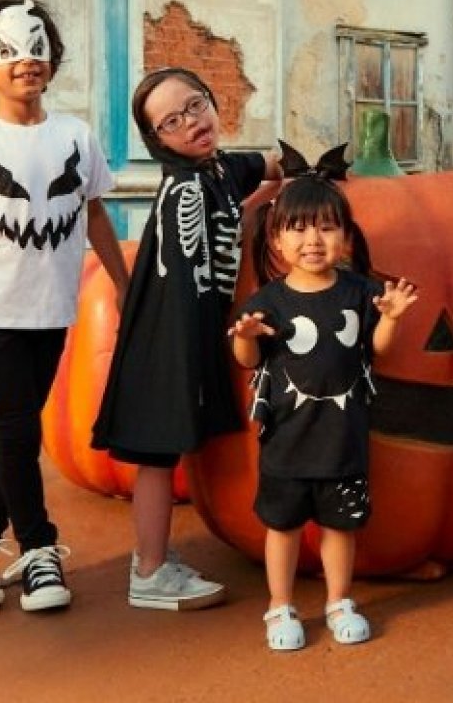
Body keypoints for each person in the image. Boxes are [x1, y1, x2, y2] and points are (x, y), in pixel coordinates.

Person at [0, 0, 130, 611]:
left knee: (11, 433)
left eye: (37, 48)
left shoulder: (76, 136)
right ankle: (40, 549)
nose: (27, 61)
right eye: (10, 51)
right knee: (17, 429)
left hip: (53, 310)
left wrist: (126, 287)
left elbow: (95, 213)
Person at [91, 68, 282, 610]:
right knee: (156, 450)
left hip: (192, 333)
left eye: (196, 106)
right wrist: (189, 364)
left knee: (165, 448)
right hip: (167, 340)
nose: (191, 123)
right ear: (158, 142)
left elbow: (271, 164)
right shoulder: (184, 191)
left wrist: (294, 182)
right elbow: (184, 288)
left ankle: (150, 560)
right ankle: (149, 573)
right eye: (172, 122)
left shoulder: (220, 168)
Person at [231, 171, 418, 650]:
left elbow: (377, 350)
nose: (313, 240)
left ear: (346, 236)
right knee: (283, 527)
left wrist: (392, 319)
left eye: (327, 227)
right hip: (286, 443)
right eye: (298, 228)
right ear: (276, 238)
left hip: (343, 439)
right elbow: (249, 362)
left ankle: (338, 600)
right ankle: (280, 605)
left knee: (339, 528)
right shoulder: (267, 301)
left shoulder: (358, 292)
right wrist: (246, 339)